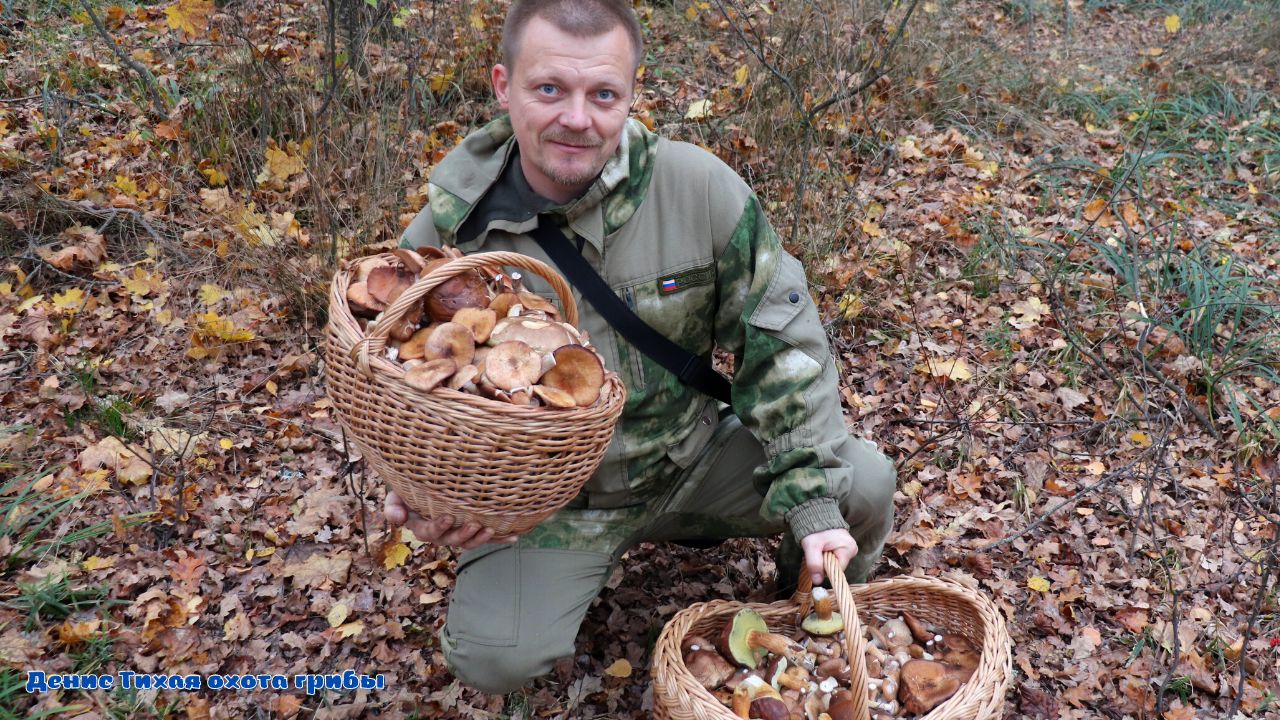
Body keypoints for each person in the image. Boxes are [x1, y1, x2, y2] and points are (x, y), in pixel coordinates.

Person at [384, 0, 896, 695]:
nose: (577, 118)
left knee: (861, 484)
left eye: (603, 94)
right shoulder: (449, 234)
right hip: (552, 505)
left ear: (632, 92)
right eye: (548, 89)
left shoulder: (698, 188)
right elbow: (396, 387)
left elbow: (783, 343)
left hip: (691, 457)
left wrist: (809, 499)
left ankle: (804, 619)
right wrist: (429, 493)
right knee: (494, 657)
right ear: (503, 87)